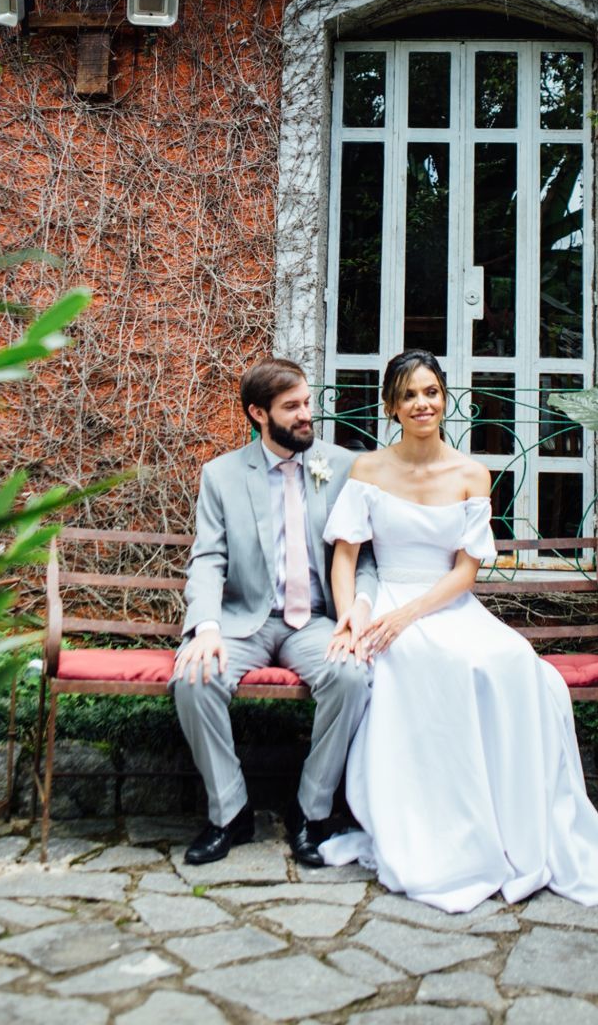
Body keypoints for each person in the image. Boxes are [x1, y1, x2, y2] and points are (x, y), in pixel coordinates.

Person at [319, 349, 598, 913]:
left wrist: (410, 613)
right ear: (392, 406)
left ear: (445, 399)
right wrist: (351, 615)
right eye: (410, 394)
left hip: (441, 601)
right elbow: (346, 557)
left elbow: (466, 571)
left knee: (514, 665)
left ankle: (512, 823)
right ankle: (437, 825)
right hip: (386, 594)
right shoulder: (367, 470)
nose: (422, 403)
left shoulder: (471, 473)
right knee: (431, 664)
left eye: (431, 392)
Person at [173, 358, 376, 867]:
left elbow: (367, 556)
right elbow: (208, 557)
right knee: (193, 678)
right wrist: (206, 627)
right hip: (247, 620)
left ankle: (311, 811)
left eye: (307, 403)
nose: (307, 415)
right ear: (258, 413)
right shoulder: (221, 475)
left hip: (318, 622)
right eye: (292, 407)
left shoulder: (344, 466)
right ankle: (229, 813)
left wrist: (359, 611)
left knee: (351, 676)